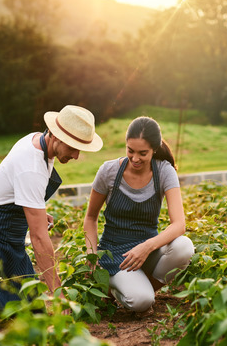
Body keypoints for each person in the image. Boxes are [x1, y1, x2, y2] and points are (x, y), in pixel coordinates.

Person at [0, 105, 103, 337]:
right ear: (55, 135)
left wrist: (30, 210)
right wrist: (57, 291)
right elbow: (38, 237)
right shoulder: (31, 166)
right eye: (73, 148)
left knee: (34, 312)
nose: (76, 156)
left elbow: (12, 191)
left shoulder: (39, 142)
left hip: (11, 242)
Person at [84, 116, 195, 313]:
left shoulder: (164, 171)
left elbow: (179, 224)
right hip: (116, 255)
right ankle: (117, 290)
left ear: (154, 148)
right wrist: (92, 256)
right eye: (130, 151)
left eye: (143, 153)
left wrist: (146, 247)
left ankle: (141, 288)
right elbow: (90, 218)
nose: (135, 159)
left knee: (184, 247)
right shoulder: (108, 171)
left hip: (148, 250)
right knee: (141, 302)